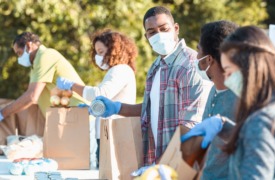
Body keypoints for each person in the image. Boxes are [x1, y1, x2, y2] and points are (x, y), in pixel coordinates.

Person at [91, 6, 212, 166]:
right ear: (146, 36)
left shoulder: (190, 65)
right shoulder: (156, 67)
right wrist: (118, 108)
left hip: (181, 165)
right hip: (157, 160)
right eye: (152, 32)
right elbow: (151, 110)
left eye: (164, 29)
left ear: (176, 29)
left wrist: (162, 165)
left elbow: (191, 127)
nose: (159, 35)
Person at [182, 26, 275, 179]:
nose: (228, 79)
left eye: (229, 71)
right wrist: (224, 126)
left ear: (248, 65)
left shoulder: (262, 120)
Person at [56, 29, 138, 167]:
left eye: (101, 52)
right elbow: (108, 100)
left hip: (115, 134)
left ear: (113, 49)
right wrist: (93, 108)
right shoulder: (117, 71)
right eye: (96, 53)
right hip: (109, 133)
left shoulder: (120, 70)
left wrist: (71, 85)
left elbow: (100, 93)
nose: (98, 57)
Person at [194, 20, 238, 179]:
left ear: (209, 59)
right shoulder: (214, 89)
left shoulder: (245, 99)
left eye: (198, 50)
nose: (196, 56)